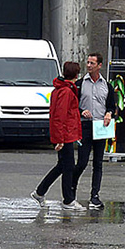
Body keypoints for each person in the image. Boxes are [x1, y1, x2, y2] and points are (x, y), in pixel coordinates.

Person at [73, 51, 121, 209]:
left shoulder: (106, 85)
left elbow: (111, 106)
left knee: (98, 163)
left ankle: (95, 195)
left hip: (101, 127)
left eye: (92, 63)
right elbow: (73, 105)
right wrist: (82, 111)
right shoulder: (80, 84)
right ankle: (71, 193)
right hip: (85, 126)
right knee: (82, 162)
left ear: (99, 65)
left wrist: (109, 113)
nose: (89, 65)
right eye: (88, 62)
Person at [34, 60, 84, 208]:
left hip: (64, 133)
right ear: (76, 74)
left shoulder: (59, 89)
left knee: (63, 165)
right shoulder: (66, 91)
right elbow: (60, 116)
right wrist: (60, 139)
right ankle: (67, 200)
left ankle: (41, 192)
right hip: (66, 134)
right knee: (68, 167)